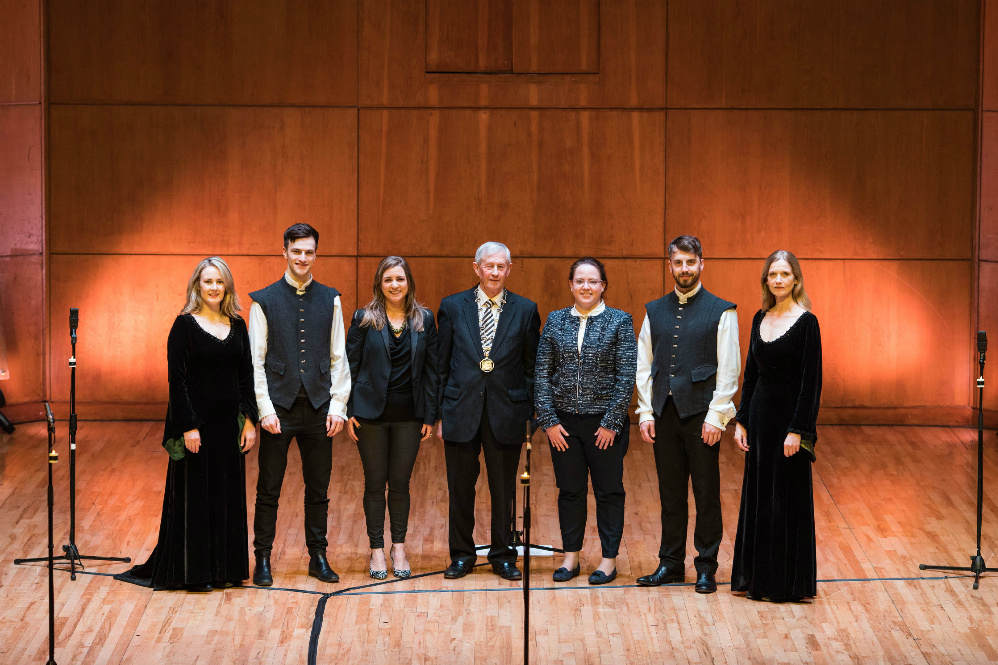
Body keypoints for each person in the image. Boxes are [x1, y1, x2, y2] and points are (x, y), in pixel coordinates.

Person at [115, 257, 258, 591]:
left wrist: (249, 421)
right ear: (197, 286)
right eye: (207, 281)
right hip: (197, 426)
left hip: (229, 426)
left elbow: (246, 375)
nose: (213, 288)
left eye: (219, 282)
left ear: (227, 287)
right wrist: (188, 426)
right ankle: (196, 574)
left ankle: (224, 570)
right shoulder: (183, 325)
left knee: (226, 496)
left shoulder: (238, 325)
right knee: (196, 497)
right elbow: (176, 381)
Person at [635, 235, 740, 594]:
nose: (684, 269)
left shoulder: (721, 310)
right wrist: (645, 410)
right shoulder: (654, 310)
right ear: (670, 265)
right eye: (678, 263)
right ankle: (670, 563)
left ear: (701, 264)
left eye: (690, 263)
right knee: (671, 493)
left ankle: (706, 565)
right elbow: (644, 364)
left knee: (706, 493)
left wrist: (718, 416)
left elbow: (729, 369)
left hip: (701, 415)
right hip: (664, 413)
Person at [248, 223, 350, 586]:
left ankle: (318, 556)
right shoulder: (263, 300)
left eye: (309, 252)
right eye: (297, 251)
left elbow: (339, 356)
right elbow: (255, 361)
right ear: (285, 253)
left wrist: (338, 405)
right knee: (269, 488)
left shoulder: (331, 298)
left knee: (318, 488)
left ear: (315, 254)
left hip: (319, 408)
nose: (303, 257)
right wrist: (264, 409)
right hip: (279, 408)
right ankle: (262, 558)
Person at [436, 241, 541, 581]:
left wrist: (529, 414)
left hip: (506, 412)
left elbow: (531, 368)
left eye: (501, 266)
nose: (495, 272)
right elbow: (442, 364)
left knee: (503, 489)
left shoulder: (525, 310)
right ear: (476, 268)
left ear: (508, 270)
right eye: (489, 266)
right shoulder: (452, 307)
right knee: (460, 489)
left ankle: (503, 555)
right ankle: (462, 555)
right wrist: (439, 413)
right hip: (460, 410)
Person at [534, 258, 636, 585]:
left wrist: (611, 422)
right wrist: (548, 421)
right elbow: (541, 374)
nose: (586, 287)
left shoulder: (620, 321)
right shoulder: (555, 321)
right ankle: (571, 557)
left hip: (604, 426)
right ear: (571, 285)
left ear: (603, 285)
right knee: (570, 491)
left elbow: (626, 376)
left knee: (608, 492)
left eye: (593, 281)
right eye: (580, 281)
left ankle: (608, 561)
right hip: (563, 426)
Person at [731, 250, 822, 602]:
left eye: (785, 274)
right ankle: (759, 579)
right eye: (773, 274)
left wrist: (798, 430)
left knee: (786, 500)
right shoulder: (759, 317)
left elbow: (810, 382)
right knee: (760, 498)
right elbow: (751, 374)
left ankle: (786, 583)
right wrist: (741, 420)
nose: (779, 280)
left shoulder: (807, 322)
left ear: (796, 279)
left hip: (789, 425)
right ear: (766, 280)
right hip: (760, 420)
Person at [345, 256, 438, 580]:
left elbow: (432, 372)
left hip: (410, 418)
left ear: (408, 282)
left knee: (400, 485)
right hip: (369, 416)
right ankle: (376, 550)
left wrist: (430, 415)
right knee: (374, 485)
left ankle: (398, 547)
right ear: (379, 285)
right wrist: (348, 411)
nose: (395, 285)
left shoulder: (424, 319)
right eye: (388, 280)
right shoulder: (364, 319)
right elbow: (349, 366)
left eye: (400, 278)